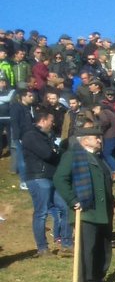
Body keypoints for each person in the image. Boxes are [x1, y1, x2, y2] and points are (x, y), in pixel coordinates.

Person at [53, 126, 115, 282]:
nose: (100, 140)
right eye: (97, 137)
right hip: (86, 211)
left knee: (103, 246)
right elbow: (60, 179)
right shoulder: (72, 156)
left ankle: (98, 277)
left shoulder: (98, 157)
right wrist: (73, 200)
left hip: (104, 210)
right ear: (85, 139)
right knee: (87, 248)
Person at [22, 107, 73, 257]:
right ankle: (42, 248)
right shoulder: (31, 136)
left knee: (65, 208)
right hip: (39, 178)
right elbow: (47, 154)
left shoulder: (46, 136)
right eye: (51, 120)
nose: (53, 123)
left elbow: (53, 152)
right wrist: (56, 153)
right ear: (43, 121)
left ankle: (66, 244)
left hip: (51, 177)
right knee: (42, 213)